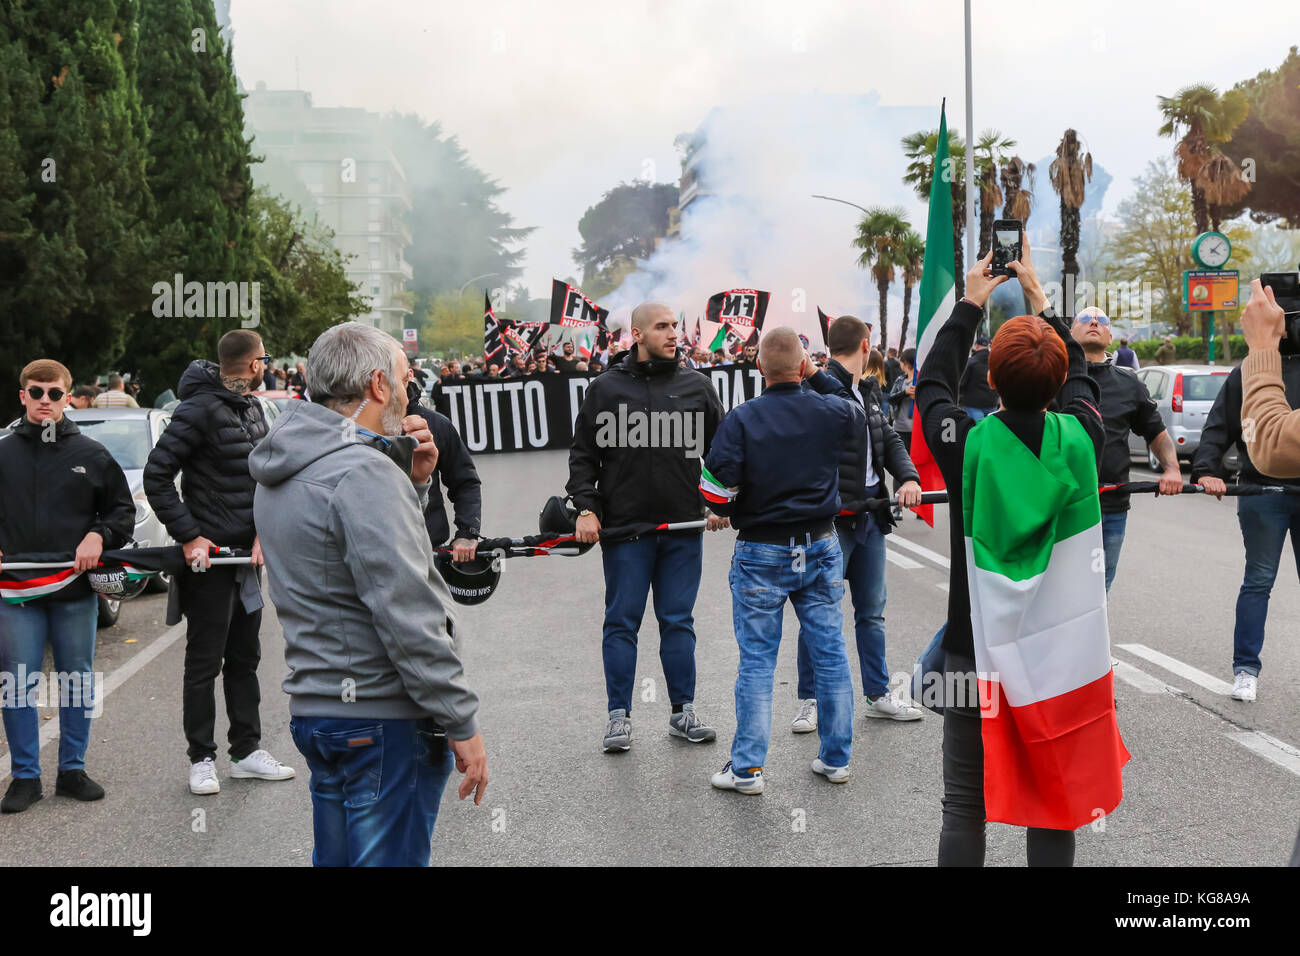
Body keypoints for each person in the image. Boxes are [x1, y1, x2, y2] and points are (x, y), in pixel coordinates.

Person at [249, 321, 487, 866]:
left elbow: (338, 562)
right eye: (405, 378)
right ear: (379, 384)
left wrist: (413, 484)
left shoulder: (283, 465)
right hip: (383, 717)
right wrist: (460, 719)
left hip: (320, 709)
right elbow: (406, 608)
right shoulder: (361, 472)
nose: (409, 391)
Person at [918, 242, 1119, 868]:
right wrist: (1041, 302)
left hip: (972, 651)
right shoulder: (1083, 437)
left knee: (962, 804)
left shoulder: (965, 444)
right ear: (1060, 379)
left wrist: (972, 302)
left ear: (992, 380)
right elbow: (1084, 384)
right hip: (1059, 657)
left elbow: (930, 386)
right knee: (1053, 802)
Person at [702, 328, 865, 792]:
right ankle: (836, 759)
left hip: (762, 551)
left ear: (758, 369)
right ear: (802, 366)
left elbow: (715, 490)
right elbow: (858, 414)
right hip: (819, 544)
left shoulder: (742, 419)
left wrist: (727, 509)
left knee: (757, 660)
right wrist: (817, 375)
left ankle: (748, 768)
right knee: (830, 652)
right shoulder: (831, 409)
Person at [567, 301, 726, 752]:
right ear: (636, 335)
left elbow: (723, 454)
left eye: (675, 325)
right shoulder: (605, 389)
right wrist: (586, 508)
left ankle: (683, 713)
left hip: (682, 530)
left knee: (678, 621)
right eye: (662, 327)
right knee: (621, 622)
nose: (673, 333)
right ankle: (618, 717)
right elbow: (583, 457)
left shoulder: (698, 386)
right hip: (625, 532)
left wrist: (717, 502)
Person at [144, 330, 294, 795]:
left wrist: (261, 532)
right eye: (263, 360)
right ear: (253, 365)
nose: (265, 366)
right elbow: (157, 476)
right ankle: (201, 759)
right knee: (204, 662)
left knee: (245, 659)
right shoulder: (198, 409)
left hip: (247, 559)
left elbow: (263, 479)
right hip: (209, 564)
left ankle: (246, 752)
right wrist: (190, 536)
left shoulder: (250, 407)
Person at [0, 360, 135, 813]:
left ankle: (72, 770)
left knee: (76, 680)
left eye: (54, 394)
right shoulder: (2, 451)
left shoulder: (92, 454)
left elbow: (121, 512)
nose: (45, 401)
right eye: (36, 392)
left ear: (69, 397)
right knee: (17, 683)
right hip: (15, 594)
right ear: (22, 395)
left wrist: (99, 535)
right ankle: (25, 778)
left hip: (74, 590)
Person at [790, 316, 923, 737]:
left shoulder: (868, 390)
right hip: (829, 523)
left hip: (870, 519)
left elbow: (889, 439)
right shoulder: (812, 387)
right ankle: (810, 700)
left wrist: (908, 477)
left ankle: (878, 694)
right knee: (819, 613)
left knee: (872, 613)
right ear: (867, 343)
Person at [1193, 278, 1300, 703]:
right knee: (1258, 581)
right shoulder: (1249, 369)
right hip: (1261, 493)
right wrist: (1206, 469)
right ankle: (1245, 670)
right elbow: (1218, 426)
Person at [1070, 306, 1182, 591]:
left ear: (1109, 337)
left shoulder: (1129, 382)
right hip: (1061, 506)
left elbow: (1155, 431)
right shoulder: (1054, 377)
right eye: (1084, 318)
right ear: (1070, 334)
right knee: (1059, 590)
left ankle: (1091, 638)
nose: (1093, 321)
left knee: (1098, 590)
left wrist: (1171, 468)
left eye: (1101, 320)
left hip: (1112, 507)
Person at [405, 368, 483, 560]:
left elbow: (464, 482)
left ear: (409, 376)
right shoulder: (355, 428)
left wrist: (467, 532)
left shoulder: (436, 424)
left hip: (430, 550)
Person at [1239, 278, 1300, 477]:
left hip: (1270, 466)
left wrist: (1262, 345)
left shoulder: (1256, 368)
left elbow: (1269, 441)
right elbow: (1223, 420)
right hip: (1259, 480)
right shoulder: (1248, 371)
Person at [958, 335, 998, 419]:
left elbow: (962, 383)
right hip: (992, 402)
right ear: (987, 346)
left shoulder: (971, 362)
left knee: (978, 429)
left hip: (973, 403)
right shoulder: (995, 361)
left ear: (976, 346)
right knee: (990, 430)